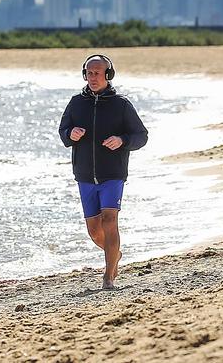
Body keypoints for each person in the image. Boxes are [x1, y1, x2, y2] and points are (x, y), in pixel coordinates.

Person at [59, 55, 148, 289]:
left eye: (98, 72)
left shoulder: (122, 105)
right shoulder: (76, 103)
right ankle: (114, 255)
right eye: (89, 73)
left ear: (109, 75)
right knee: (94, 231)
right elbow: (63, 131)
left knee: (110, 220)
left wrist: (122, 140)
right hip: (85, 175)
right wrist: (70, 135)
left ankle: (108, 277)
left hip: (113, 174)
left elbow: (141, 136)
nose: (93, 77)